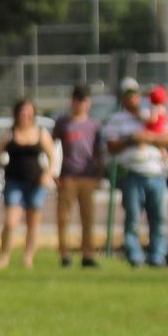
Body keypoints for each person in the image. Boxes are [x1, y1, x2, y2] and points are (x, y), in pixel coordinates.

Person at [102, 77, 168, 267]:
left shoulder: (150, 114)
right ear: (122, 98)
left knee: (158, 218)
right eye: (128, 95)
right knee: (133, 218)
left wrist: (149, 138)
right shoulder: (117, 120)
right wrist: (132, 140)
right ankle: (134, 255)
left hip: (156, 173)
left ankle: (157, 256)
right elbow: (111, 146)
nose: (132, 99)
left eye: (135, 94)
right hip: (132, 174)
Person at [0, 97, 58, 270]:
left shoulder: (41, 133)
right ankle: (4, 256)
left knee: (33, 222)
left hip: (36, 183)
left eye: (28, 111)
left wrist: (48, 175)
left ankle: (28, 258)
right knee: (11, 221)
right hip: (14, 182)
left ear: (33, 113)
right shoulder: (9, 134)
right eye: (22, 111)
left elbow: (52, 157)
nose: (25, 115)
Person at [51, 83, 103, 268]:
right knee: (63, 217)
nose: (81, 105)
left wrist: (99, 174)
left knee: (88, 218)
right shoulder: (63, 123)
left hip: (87, 176)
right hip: (68, 176)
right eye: (78, 100)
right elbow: (53, 148)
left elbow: (98, 151)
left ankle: (87, 254)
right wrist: (54, 172)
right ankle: (65, 254)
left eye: (84, 101)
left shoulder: (94, 125)